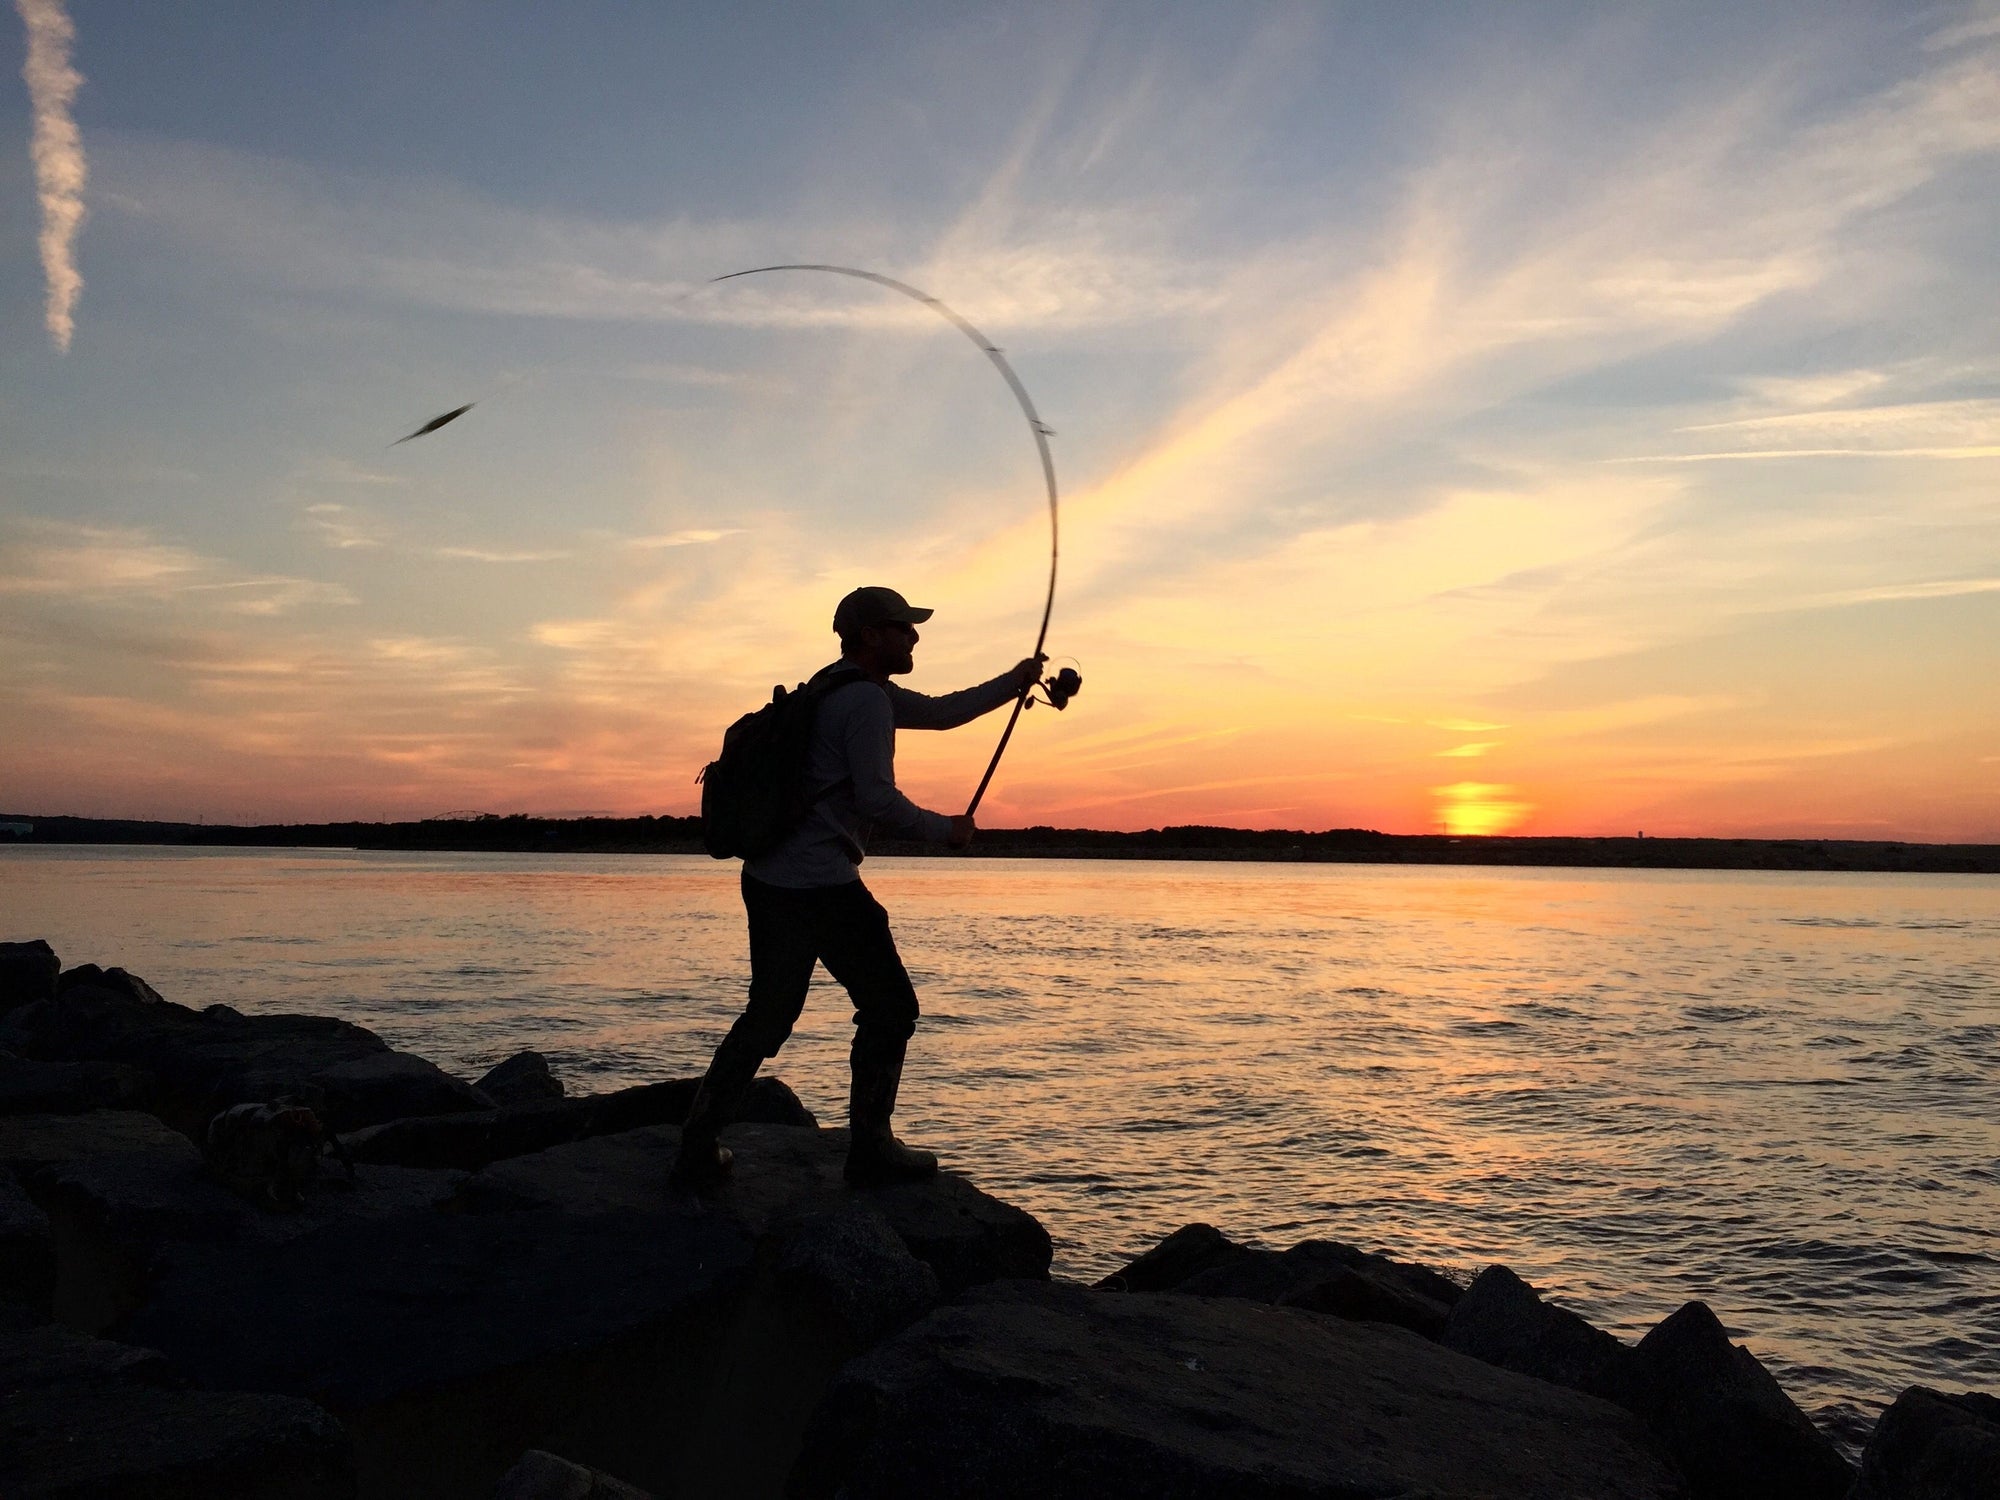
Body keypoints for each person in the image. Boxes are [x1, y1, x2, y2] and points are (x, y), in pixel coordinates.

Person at [671, 585, 1044, 1190]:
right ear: (872, 635)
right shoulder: (866, 702)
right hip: (821, 885)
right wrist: (945, 830)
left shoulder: (834, 685)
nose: (914, 636)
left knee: (767, 1017)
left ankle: (696, 1146)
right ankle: (870, 1150)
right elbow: (877, 799)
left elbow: (946, 712)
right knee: (892, 1008)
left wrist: (1013, 680)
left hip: (769, 877)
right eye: (903, 628)